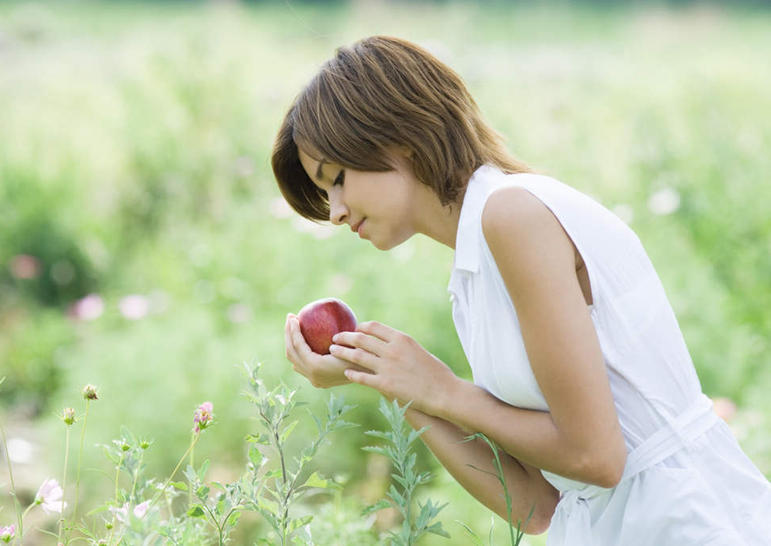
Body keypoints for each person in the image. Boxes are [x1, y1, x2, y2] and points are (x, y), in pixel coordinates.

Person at [273, 36, 771, 544]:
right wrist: (393, 381)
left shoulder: (513, 215)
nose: (333, 211)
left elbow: (596, 458)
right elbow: (537, 506)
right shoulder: (473, 267)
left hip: (686, 523)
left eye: (335, 178)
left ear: (397, 138)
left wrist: (443, 390)